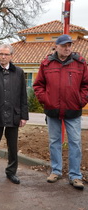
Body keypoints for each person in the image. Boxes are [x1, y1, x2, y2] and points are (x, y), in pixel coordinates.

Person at [33, 34, 88, 190]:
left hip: (73, 110)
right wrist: (46, 100)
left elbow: (86, 85)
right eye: (64, 45)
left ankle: (75, 175)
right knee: (54, 142)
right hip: (53, 111)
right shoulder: (46, 64)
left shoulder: (80, 63)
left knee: (75, 143)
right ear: (56, 46)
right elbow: (38, 86)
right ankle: (56, 171)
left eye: (69, 45)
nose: (67, 48)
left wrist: (81, 101)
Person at [0, 44, 29, 185]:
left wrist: (24, 116)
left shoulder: (19, 72)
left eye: (6, 54)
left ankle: (11, 172)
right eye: (0, 54)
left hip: (14, 114)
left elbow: (23, 96)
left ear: (11, 56)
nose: (3, 56)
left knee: (13, 146)